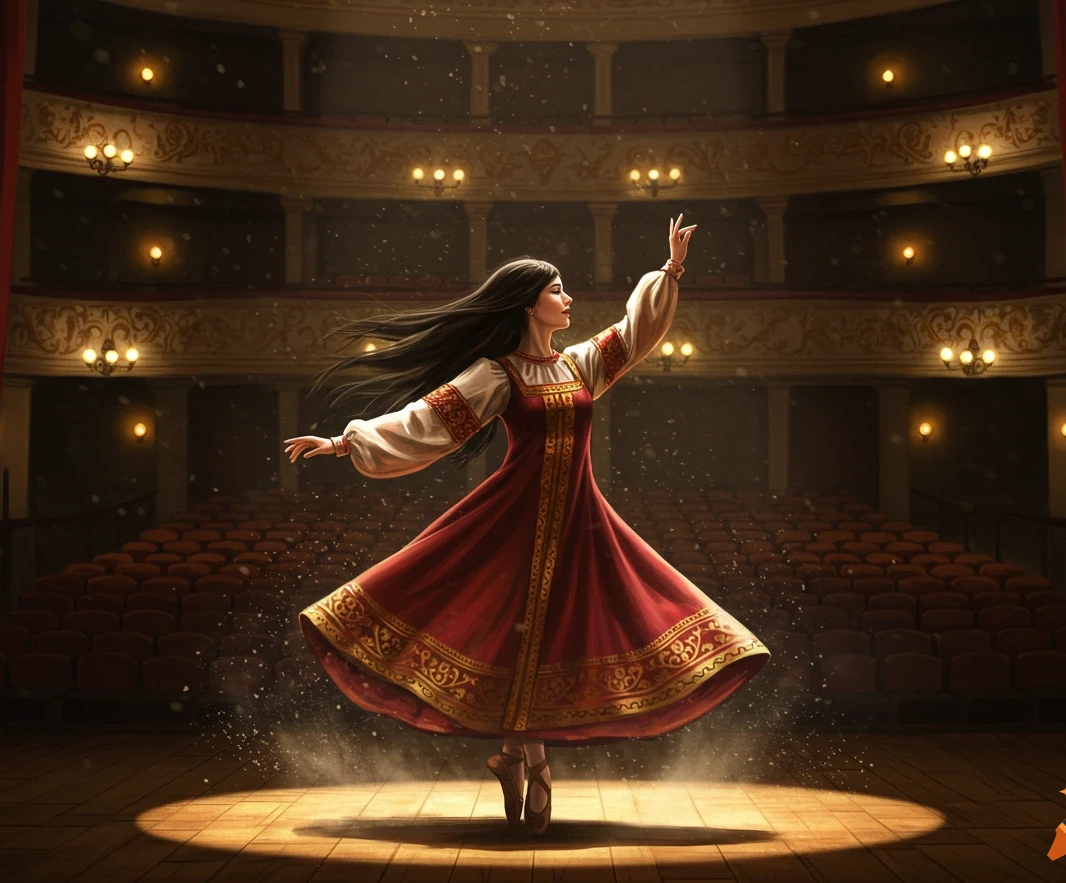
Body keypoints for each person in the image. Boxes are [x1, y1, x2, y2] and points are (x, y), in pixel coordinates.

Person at [285, 213, 770, 836]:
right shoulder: (497, 374)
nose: (568, 299)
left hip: (579, 519)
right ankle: (533, 764)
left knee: (551, 639)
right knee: (519, 634)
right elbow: (424, 424)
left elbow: (635, 330)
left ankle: (515, 754)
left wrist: (670, 269)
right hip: (512, 519)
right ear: (529, 304)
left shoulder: (578, 365)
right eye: (557, 290)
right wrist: (344, 442)